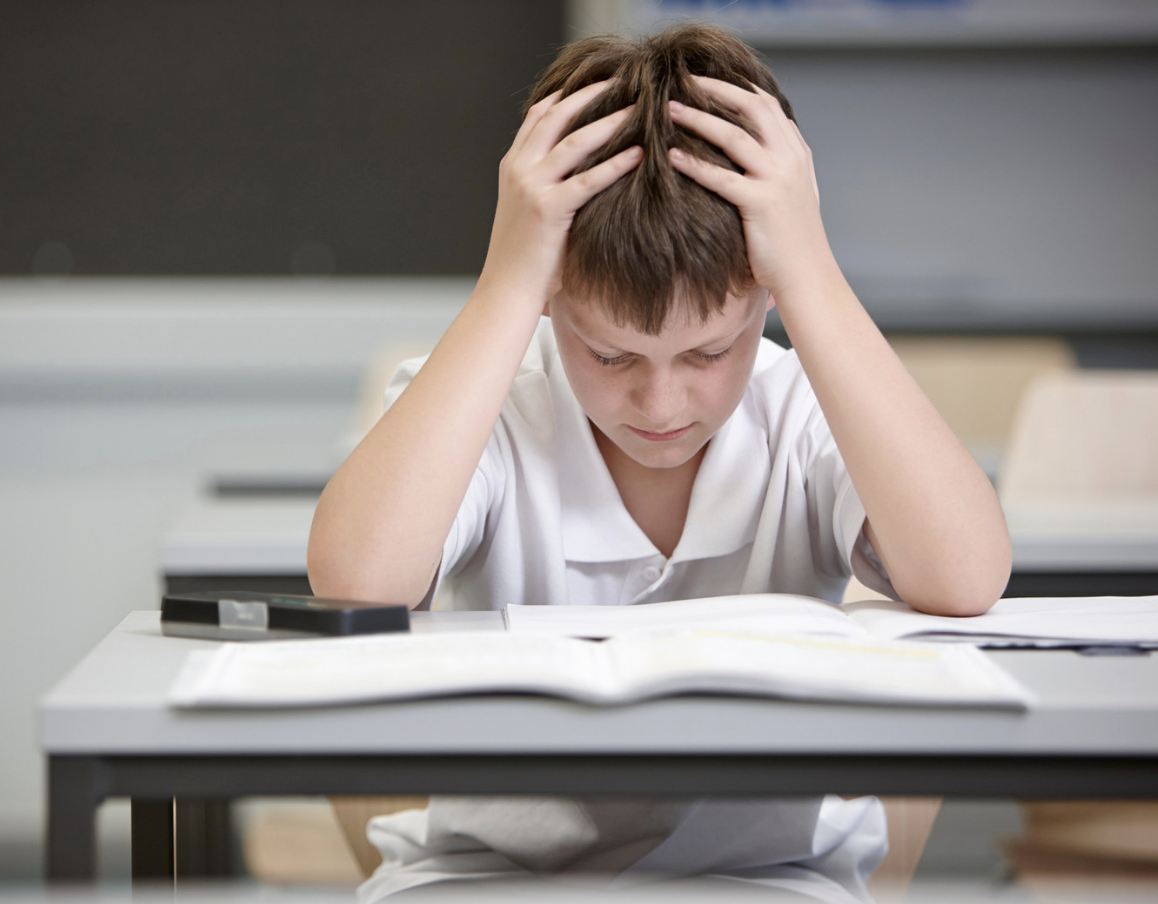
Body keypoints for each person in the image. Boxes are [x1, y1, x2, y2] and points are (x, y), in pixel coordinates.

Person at [308, 23, 1012, 903]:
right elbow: (356, 582)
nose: (664, 405)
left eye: (711, 353)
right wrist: (507, 281)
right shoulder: (491, 400)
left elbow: (966, 574)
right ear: (552, 296)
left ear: (764, 295)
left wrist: (813, 272)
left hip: (767, 879)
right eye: (611, 357)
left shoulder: (799, 407)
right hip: (489, 879)